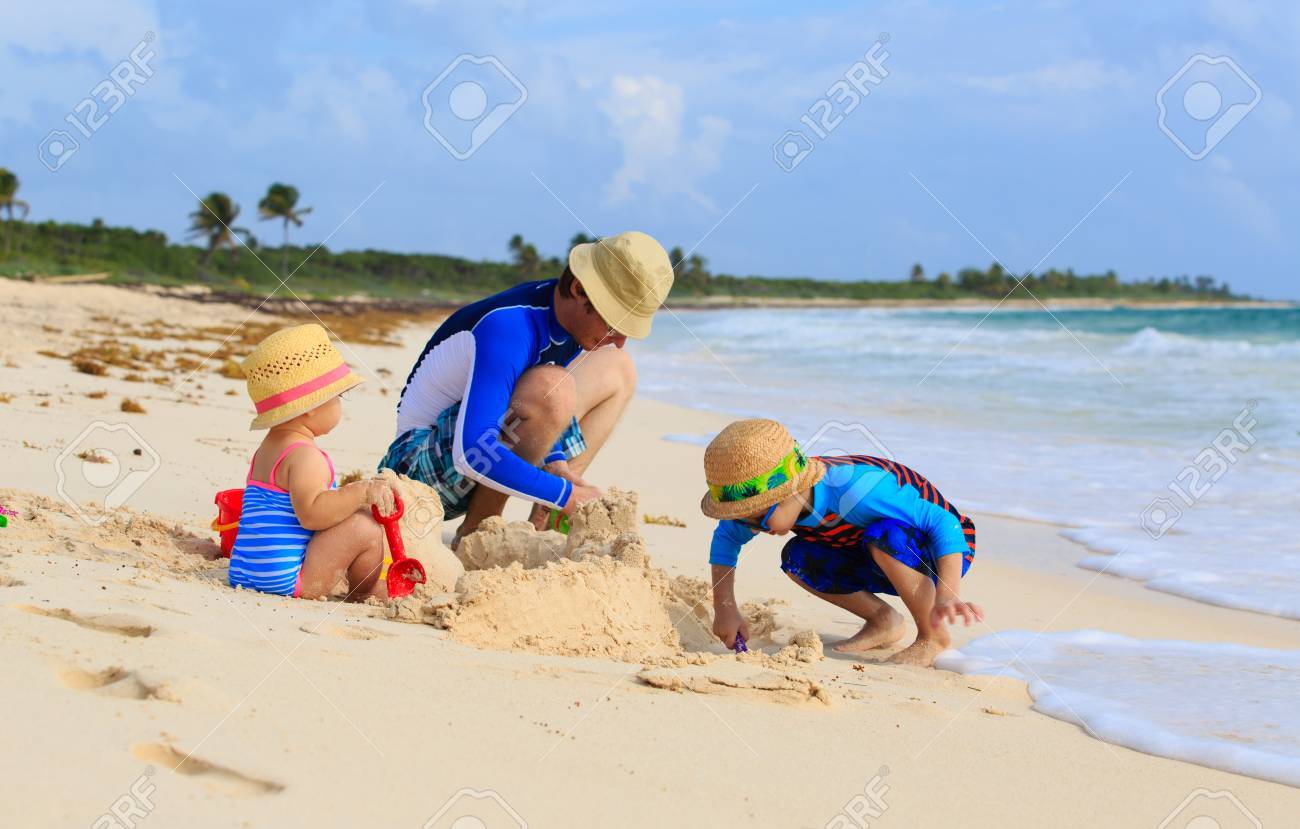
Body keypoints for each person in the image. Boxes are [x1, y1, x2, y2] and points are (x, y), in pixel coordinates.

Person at [380, 231, 673, 544]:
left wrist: (556, 465)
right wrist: (566, 495)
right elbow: (471, 451)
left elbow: (526, 401)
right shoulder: (511, 326)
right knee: (553, 388)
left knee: (618, 367)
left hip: (469, 447)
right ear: (578, 289)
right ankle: (476, 535)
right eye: (615, 324)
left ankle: (543, 525)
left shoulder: (567, 318)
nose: (620, 339)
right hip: (417, 470)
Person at [701, 419, 982, 667]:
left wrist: (947, 593)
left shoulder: (858, 489)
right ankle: (882, 620)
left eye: (758, 518)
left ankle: (933, 637)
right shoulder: (754, 507)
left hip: (940, 552)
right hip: (863, 551)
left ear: (790, 492)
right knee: (797, 557)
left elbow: (945, 523)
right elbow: (726, 541)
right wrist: (725, 608)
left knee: (885, 534)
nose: (752, 527)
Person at [230, 324, 394, 600]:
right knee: (365, 527)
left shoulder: (267, 450)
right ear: (311, 407)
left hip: (244, 571)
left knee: (352, 514)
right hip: (287, 579)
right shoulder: (306, 456)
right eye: (338, 397)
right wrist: (361, 492)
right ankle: (362, 591)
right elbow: (312, 516)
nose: (340, 405)